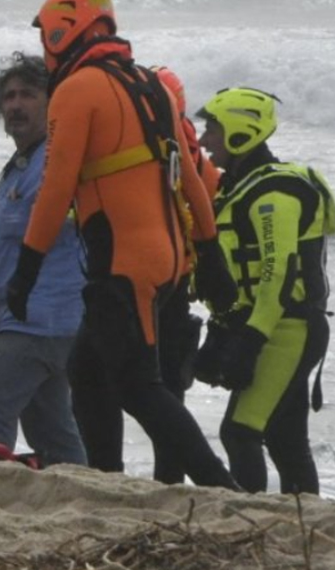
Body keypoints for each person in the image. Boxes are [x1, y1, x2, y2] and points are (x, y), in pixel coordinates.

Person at [6, 0, 238, 489]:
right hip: (169, 259)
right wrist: (209, 251)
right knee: (86, 372)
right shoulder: (149, 83)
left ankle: (222, 487)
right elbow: (192, 176)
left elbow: (55, 190)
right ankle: (107, 482)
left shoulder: (76, 89)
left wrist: (27, 268)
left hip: (124, 264)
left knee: (138, 387)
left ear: (61, 32)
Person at [195, 87, 335, 494]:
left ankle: (249, 519)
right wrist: (224, 331)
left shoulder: (276, 193)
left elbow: (276, 275)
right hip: (270, 327)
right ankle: (303, 523)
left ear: (242, 132)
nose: (205, 141)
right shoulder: (241, 186)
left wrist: (250, 343)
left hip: (287, 331)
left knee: (239, 432)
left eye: (213, 130)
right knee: (284, 439)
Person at [0, 53, 86, 466]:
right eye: (9, 96)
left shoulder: (56, 160)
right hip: (18, 318)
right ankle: (82, 496)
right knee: (50, 429)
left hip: (43, 319)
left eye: (28, 95)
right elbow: (10, 253)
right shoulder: (18, 168)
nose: (15, 105)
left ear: (52, 102)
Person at [146, 65, 218, 483]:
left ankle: (183, 479)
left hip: (157, 283)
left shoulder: (164, 154)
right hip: (180, 280)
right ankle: (169, 480)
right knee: (166, 392)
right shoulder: (194, 159)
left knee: (151, 391)